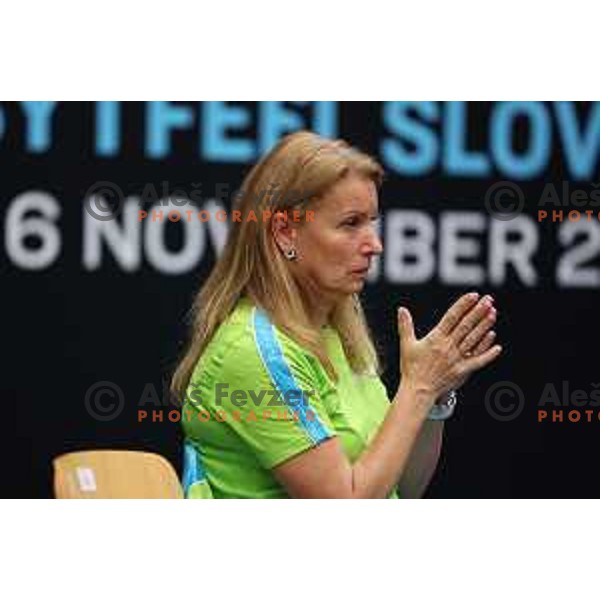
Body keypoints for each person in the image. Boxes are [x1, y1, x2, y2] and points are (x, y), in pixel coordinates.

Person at [171, 130, 501, 499]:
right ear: (284, 232)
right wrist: (418, 386)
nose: (374, 245)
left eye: (372, 222)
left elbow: (402, 489)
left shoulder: (337, 333)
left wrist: (433, 399)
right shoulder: (252, 353)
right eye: (350, 224)